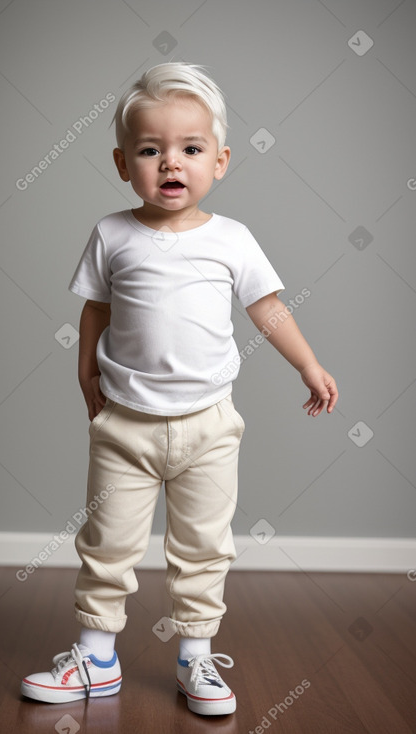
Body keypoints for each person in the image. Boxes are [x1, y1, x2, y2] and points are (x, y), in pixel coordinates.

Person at [21, 62, 338, 716]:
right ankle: (95, 657)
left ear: (218, 161)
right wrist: (84, 373)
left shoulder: (232, 240)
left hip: (208, 427)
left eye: (190, 149)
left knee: (201, 547)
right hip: (125, 427)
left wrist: (306, 364)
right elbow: (95, 312)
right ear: (121, 162)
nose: (171, 163)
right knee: (107, 544)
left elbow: (268, 308)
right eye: (150, 150)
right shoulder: (112, 234)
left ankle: (195, 659)